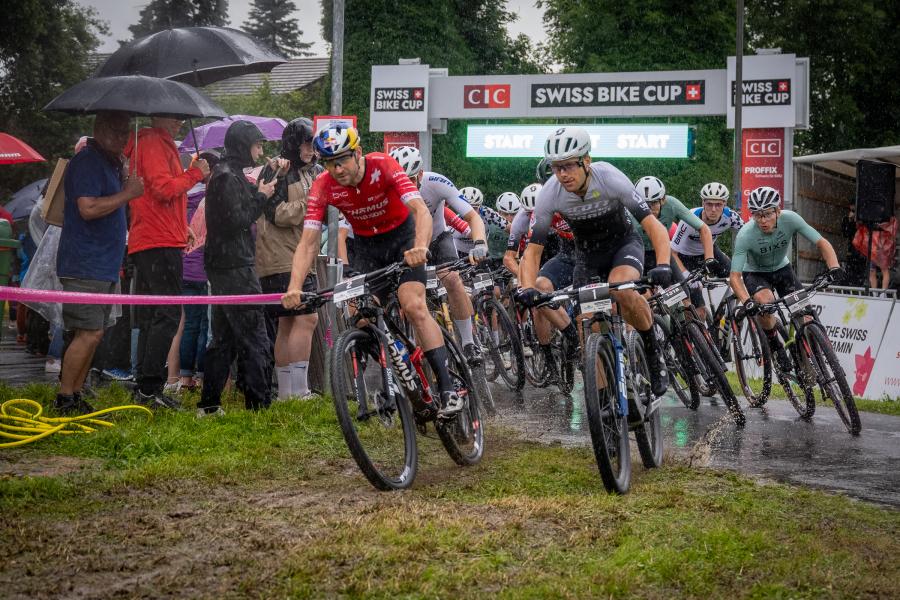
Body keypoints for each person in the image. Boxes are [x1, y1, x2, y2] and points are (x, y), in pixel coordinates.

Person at [282, 126, 465, 417]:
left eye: (342, 160)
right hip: (367, 248)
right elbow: (308, 241)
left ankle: (447, 388)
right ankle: (396, 369)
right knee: (361, 317)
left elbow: (419, 210)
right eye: (329, 163)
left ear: (357, 153)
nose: (336, 169)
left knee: (413, 304)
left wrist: (420, 247)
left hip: (403, 238)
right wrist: (294, 286)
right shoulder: (323, 185)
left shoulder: (383, 165)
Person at [516, 126, 672, 396]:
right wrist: (528, 287)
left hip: (623, 244)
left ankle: (652, 348)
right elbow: (533, 250)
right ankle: (602, 402)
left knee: (619, 286)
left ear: (586, 161)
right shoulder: (550, 193)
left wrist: (664, 264)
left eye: (568, 166)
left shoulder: (609, 177)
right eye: (556, 168)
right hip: (587, 255)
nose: (562, 174)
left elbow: (652, 225)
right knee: (586, 323)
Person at [55, 111, 144, 414]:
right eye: (116, 131)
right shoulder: (88, 161)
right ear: (99, 129)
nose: (122, 138)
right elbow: (88, 208)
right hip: (85, 262)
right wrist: (127, 194)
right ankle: (65, 397)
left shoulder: (109, 162)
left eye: (125, 132)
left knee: (96, 332)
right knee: (87, 331)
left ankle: (76, 393)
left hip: (103, 263)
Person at [125, 117, 210, 409]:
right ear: (159, 115)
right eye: (175, 118)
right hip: (157, 240)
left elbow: (156, 195)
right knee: (169, 314)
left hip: (157, 236)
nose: (180, 123)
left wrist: (180, 226)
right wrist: (195, 174)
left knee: (155, 314)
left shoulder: (153, 143)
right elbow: (163, 189)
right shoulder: (153, 143)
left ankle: (147, 386)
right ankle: (149, 388)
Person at [198, 121, 280, 416]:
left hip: (224, 264)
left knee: (224, 338)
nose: (260, 151)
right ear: (244, 145)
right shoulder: (226, 178)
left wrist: (258, 190)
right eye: (257, 145)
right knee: (255, 334)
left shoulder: (228, 175)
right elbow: (238, 220)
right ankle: (259, 404)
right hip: (235, 265)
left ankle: (209, 404)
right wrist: (261, 197)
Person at [389, 146, 488, 365]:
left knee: (452, 279)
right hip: (408, 244)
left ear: (421, 175)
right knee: (411, 297)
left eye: (411, 181)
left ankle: (469, 342)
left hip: (437, 238)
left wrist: (479, 242)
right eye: (400, 184)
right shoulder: (387, 189)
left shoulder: (436, 183)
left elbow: (472, 216)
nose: (405, 189)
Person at [730, 186, 844, 373]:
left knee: (806, 316)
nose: (763, 220)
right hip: (756, 273)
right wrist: (747, 301)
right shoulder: (745, 235)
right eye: (757, 215)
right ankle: (774, 343)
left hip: (783, 269)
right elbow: (734, 277)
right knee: (765, 304)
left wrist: (834, 267)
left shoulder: (791, 219)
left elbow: (821, 242)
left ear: (778, 210)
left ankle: (812, 353)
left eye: (767, 214)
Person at [256, 118, 323, 400]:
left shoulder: (315, 170)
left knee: (287, 322)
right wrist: (310, 205)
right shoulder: (277, 170)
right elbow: (275, 213)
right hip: (282, 257)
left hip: (295, 255)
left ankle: (286, 393)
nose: (310, 149)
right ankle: (299, 391)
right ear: (294, 144)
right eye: (306, 143)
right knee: (307, 318)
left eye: (313, 143)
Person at [178, 149, 219, 391]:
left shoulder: (183, 195)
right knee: (206, 325)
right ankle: (203, 375)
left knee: (190, 324)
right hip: (204, 269)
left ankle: (184, 377)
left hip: (185, 266)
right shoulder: (211, 198)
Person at [670, 181, 743, 316]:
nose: (713, 209)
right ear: (703, 203)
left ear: (725, 204)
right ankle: (695, 332)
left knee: (740, 283)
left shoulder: (731, 217)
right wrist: (685, 273)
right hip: (685, 258)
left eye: (718, 204)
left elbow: (747, 236)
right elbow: (672, 253)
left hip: (710, 253)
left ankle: (727, 317)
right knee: (699, 312)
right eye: (709, 204)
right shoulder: (689, 218)